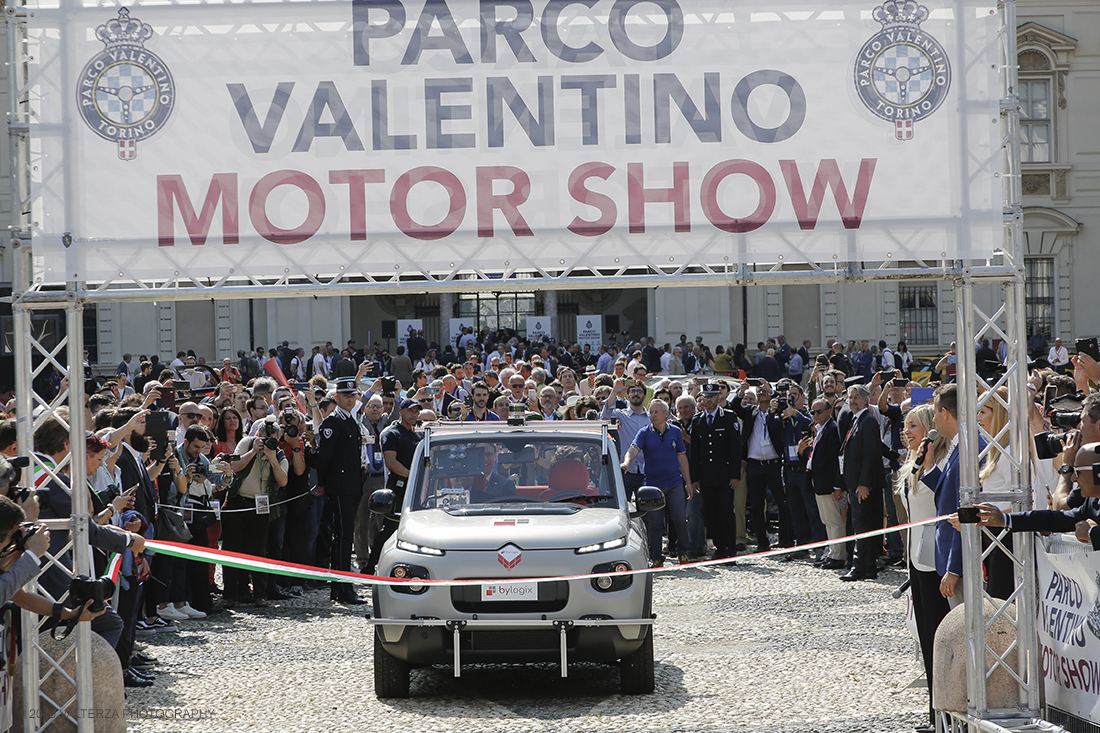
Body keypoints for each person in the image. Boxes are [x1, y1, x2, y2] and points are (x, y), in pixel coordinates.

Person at [897, 404, 952, 732]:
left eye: (913, 426)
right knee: (926, 637)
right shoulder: (911, 463)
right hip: (916, 560)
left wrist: (929, 464)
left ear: (930, 429)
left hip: (936, 562)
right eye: (905, 426)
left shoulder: (940, 462)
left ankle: (946, 714)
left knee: (940, 637)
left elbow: (942, 500)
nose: (907, 431)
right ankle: (935, 714)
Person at [919, 384, 981, 606]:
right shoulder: (960, 446)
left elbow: (964, 513)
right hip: (951, 558)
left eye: (935, 413)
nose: (934, 420)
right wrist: (930, 468)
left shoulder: (970, 448)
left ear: (945, 412)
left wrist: (954, 568)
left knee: (966, 631)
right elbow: (949, 494)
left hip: (962, 563)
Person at [313, 378, 369, 604]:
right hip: (340, 486)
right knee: (343, 537)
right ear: (336, 398)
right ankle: (343, 588)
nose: (350, 399)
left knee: (345, 538)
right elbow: (324, 458)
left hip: (351, 486)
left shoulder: (350, 420)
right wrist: (324, 483)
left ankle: (341, 588)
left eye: (353, 395)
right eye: (346, 396)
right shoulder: (333, 422)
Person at [222, 416, 289, 607]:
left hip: (259, 506)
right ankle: (230, 594)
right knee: (231, 550)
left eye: (273, 439)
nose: (269, 442)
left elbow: (283, 481)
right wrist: (253, 451)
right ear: (257, 434)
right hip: (236, 501)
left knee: (259, 551)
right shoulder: (246, 443)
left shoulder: (279, 454)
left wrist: (272, 458)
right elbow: (233, 467)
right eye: (265, 437)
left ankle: (260, 594)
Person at [621, 399, 694, 566]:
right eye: (651, 412)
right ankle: (656, 557)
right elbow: (633, 449)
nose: (652, 415)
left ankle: (683, 553)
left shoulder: (675, 431)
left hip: (674, 482)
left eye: (656, 412)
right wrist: (627, 462)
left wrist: (688, 482)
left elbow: (682, 457)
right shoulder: (644, 433)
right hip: (652, 485)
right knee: (654, 524)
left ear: (666, 414)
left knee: (680, 518)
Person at [364, 398, 423, 574]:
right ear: (401, 411)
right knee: (390, 528)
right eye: (411, 411)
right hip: (398, 487)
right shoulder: (391, 433)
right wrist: (414, 477)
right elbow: (391, 462)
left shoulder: (417, 434)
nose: (414, 414)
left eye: (416, 411)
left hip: (415, 488)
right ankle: (370, 566)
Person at [731, 380, 791, 553]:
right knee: (756, 504)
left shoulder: (778, 411)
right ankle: (762, 542)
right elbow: (735, 406)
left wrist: (772, 392)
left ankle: (785, 539)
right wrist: (741, 392)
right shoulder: (751, 411)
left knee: (782, 502)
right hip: (755, 465)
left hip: (774, 464)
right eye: (758, 391)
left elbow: (784, 405)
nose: (761, 393)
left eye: (764, 391)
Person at [838, 384, 888, 581]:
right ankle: (867, 566)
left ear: (866, 399)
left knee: (862, 526)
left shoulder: (867, 420)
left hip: (862, 483)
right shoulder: (855, 419)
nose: (853, 400)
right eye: (851, 397)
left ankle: (860, 567)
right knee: (863, 524)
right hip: (854, 481)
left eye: (857, 397)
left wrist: (864, 483)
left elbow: (870, 454)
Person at [689, 384, 741, 559]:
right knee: (711, 513)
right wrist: (694, 478)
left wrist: (735, 475)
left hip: (725, 476)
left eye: (712, 397)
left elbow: (735, 449)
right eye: (706, 397)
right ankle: (719, 548)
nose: (709, 400)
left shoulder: (728, 417)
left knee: (726, 512)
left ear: (718, 397)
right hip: (707, 476)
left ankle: (730, 549)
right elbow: (694, 452)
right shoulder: (697, 420)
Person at [803, 398, 845, 569]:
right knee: (827, 520)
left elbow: (836, 461)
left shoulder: (832, 429)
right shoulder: (820, 430)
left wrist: (837, 486)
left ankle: (838, 555)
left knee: (834, 521)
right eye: (813, 412)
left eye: (819, 412)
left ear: (828, 410)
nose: (816, 415)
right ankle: (832, 552)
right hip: (819, 483)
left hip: (829, 484)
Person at [602, 378, 651, 501]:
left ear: (644, 396)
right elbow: (605, 416)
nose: (635, 394)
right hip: (625, 470)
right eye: (632, 391)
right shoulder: (620, 415)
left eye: (639, 391)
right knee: (624, 507)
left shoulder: (652, 417)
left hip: (647, 469)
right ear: (627, 396)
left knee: (647, 511)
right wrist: (615, 391)